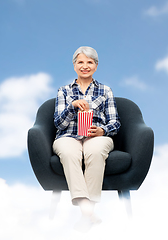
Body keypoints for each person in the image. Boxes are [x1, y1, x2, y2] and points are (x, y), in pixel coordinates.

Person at [52, 46, 121, 231]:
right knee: (69, 153)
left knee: (95, 152)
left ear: (96, 66)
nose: (85, 66)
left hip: (96, 136)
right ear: (74, 65)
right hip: (69, 135)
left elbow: (115, 122)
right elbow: (59, 124)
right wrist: (72, 106)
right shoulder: (64, 91)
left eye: (89, 62)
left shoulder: (105, 90)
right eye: (80, 62)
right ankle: (88, 214)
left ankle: (85, 215)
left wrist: (102, 130)